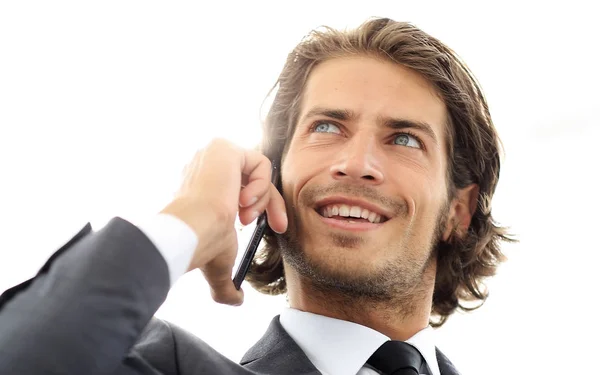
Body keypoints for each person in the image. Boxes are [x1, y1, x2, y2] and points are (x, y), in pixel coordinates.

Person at [0, 17, 511, 375]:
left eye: (404, 138)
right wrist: (191, 217)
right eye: (328, 126)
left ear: (458, 212)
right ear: (272, 179)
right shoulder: (158, 363)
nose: (356, 163)